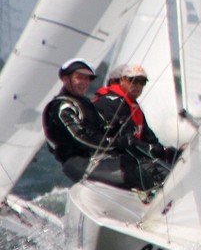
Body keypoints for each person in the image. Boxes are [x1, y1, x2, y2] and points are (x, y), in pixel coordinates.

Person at [41, 59, 141, 190]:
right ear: (66, 79)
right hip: (78, 163)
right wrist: (115, 142)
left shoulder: (86, 104)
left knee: (153, 166)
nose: (84, 83)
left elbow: (102, 129)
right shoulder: (61, 107)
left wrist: (119, 128)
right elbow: (80, 138)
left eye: (88, 79)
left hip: (99, 158)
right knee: (139, 172)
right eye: (79, 78)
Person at [94, 63, 177, 188]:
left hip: (134, 159)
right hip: (112, 161)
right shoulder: (110, 102)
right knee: (169, 175)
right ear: (122, 80)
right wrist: (151, 150)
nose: (137, 85)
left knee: (175, 161)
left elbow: (148, 138)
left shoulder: (133, 105)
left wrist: (166, 152)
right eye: (133, 80)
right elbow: (125, 140)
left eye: (142, 82)